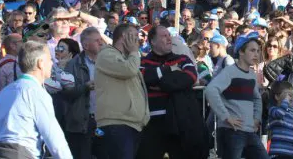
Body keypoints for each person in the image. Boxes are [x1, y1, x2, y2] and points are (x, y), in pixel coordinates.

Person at [0, 40, 72, 159]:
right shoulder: (36, 92)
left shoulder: (5, 92)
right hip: (19, 153)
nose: (52, 63)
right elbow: (53, 135)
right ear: (40, 63)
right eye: (50, 59)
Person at [139, 25, 203, 159]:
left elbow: (190, 77)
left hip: (180, 123)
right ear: (152, 41)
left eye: (169, 35)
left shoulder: (183, 59)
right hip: (152, 124)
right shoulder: (142, 62)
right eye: (164, 36)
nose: (169, 39)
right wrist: (170, 70)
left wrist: (159, 84)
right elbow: (144, 78)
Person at [205, 31, 269, 159]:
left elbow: (256, 98)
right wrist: (226, 116)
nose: (256, 54)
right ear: (241, 52)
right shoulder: (229, 71)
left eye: (257, 51)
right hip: (231, 131)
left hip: (249, 131)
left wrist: (257, 118)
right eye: (252, 50)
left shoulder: (251, 74)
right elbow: (211, 90)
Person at [95, 23, 149, 159]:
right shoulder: (106, 54)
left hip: (132, 124)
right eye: (135, 36)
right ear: (124, 36)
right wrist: (134, 52)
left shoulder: (129, 58)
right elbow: (128, 70)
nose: (139, 40)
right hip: (116, 124)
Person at [60, 27, 104, 159]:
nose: (101, 43)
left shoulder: (108, 62)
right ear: (85, 45)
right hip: (82, 123)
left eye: (101, 39)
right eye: (97, 40)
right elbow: (66, 93)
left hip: (104, 120)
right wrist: (84, 87)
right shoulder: (72, 65)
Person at [268, 80, 293, 159]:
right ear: (277, 97)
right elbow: (279, 114)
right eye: (288, 95)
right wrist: (285, 101)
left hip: (291, 153)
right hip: (278, 153)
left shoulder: (291, 113)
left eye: (292, 95)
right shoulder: (273, 110)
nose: (290, 97)